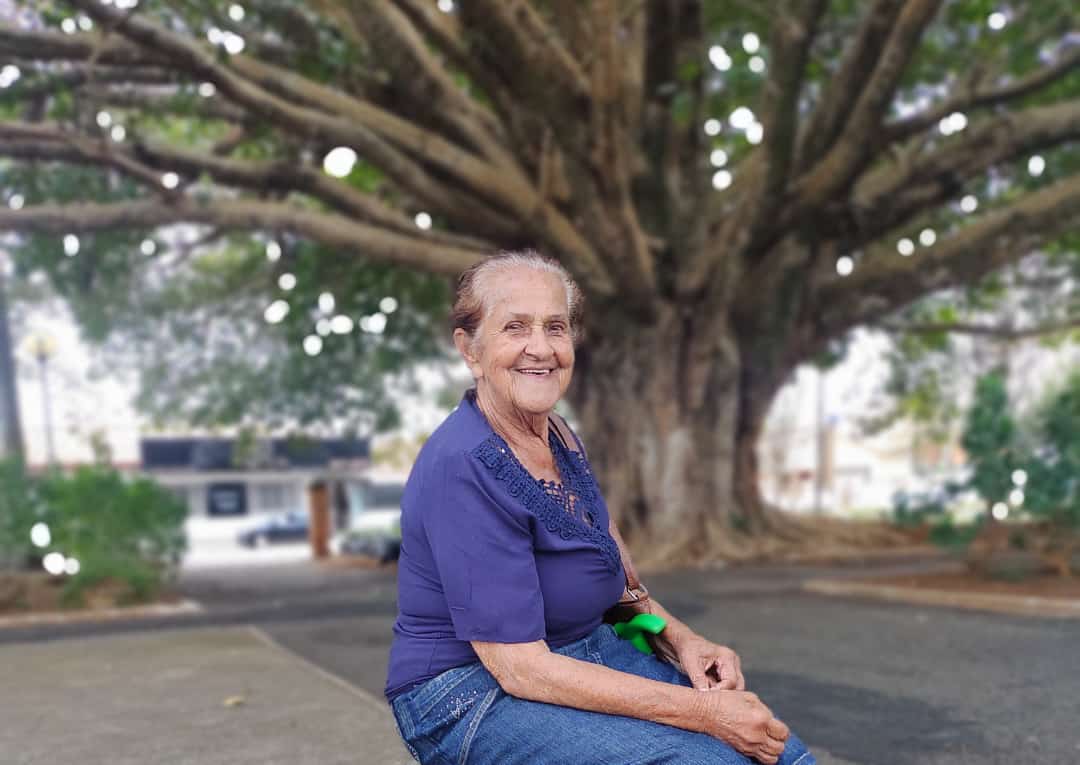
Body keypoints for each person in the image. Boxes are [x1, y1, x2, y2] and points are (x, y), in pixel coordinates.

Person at [385, 251, 814, 765]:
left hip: (582, 654)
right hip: (469, 695)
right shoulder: (464, 465)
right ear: (470, 350)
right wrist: (705, 713)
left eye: (555, 327)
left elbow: (616, 588)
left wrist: (681, 640)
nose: (541, 347)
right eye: (515, 327)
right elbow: (521, 669)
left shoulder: (561, 437)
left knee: (781, 754)